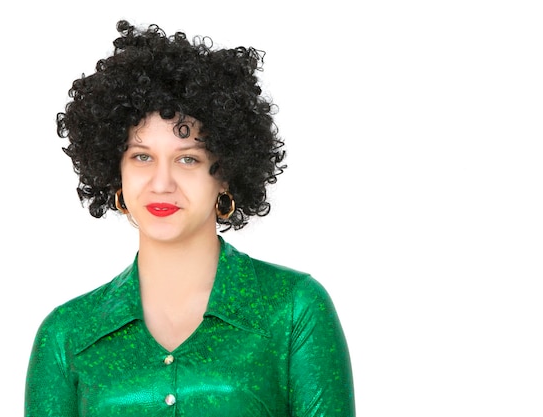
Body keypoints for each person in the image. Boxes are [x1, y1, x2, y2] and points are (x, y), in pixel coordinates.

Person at [25, 19, 355, 417]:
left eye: (188, 159)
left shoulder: (293, 308)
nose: (161, 183)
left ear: (226, 173)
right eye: (142, 156)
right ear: (117, 172)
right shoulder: (67, 334)